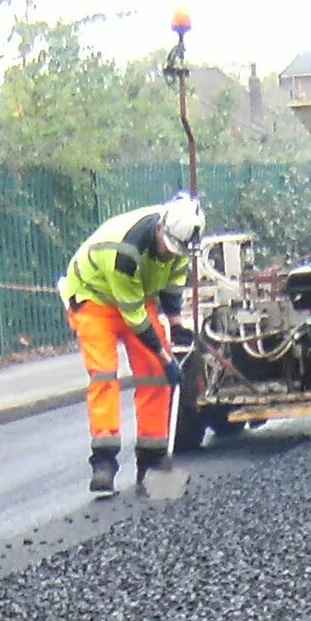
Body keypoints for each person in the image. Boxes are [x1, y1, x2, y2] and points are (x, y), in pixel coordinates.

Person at [61, 196, 203, 495]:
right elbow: (136, 318)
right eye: (168, 248)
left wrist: (176, 325)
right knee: (104, 374)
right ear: (161, 228)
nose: (170, 255)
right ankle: (104, 462)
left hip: (138, 295)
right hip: (93, 296)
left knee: (155, 375)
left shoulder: (183, 241)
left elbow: (173, 282)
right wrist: (166, 357)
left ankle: (151, 464)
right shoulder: (126, 250)